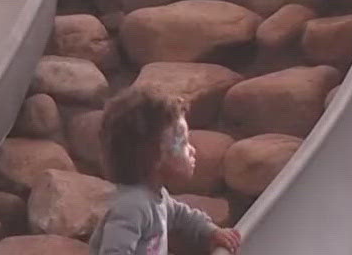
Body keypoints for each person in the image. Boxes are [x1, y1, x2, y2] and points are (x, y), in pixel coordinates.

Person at [92, 87, 242, 255]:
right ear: (154, 155)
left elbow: (182, 215)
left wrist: (211, 231)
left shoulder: (156, 196)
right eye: (183, 143)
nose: (192, 149)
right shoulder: (131, 207)